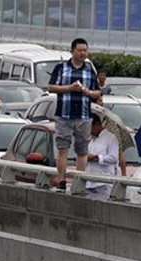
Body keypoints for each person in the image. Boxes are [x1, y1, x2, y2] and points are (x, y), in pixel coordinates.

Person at [48, 38, 102, 190]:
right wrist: (69, 88)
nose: (82, 53)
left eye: (85, 50)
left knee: (82, 150)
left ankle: (79, 181)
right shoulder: (61, 68)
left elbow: (97, 91)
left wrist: (88, 92)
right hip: (64, 114)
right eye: (79, 50)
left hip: (84, 115)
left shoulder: (89, 70)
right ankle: (62, 180)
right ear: (72, 51)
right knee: (63, 148)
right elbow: (51, 87)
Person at [85, 113, 119, 200]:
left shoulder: (111, 138)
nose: (88, 130)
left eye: (89, 127)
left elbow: (114, 158)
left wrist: (96, 157)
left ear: (96, 124)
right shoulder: (91, 140)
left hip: (103, 184)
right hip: (89, 182)